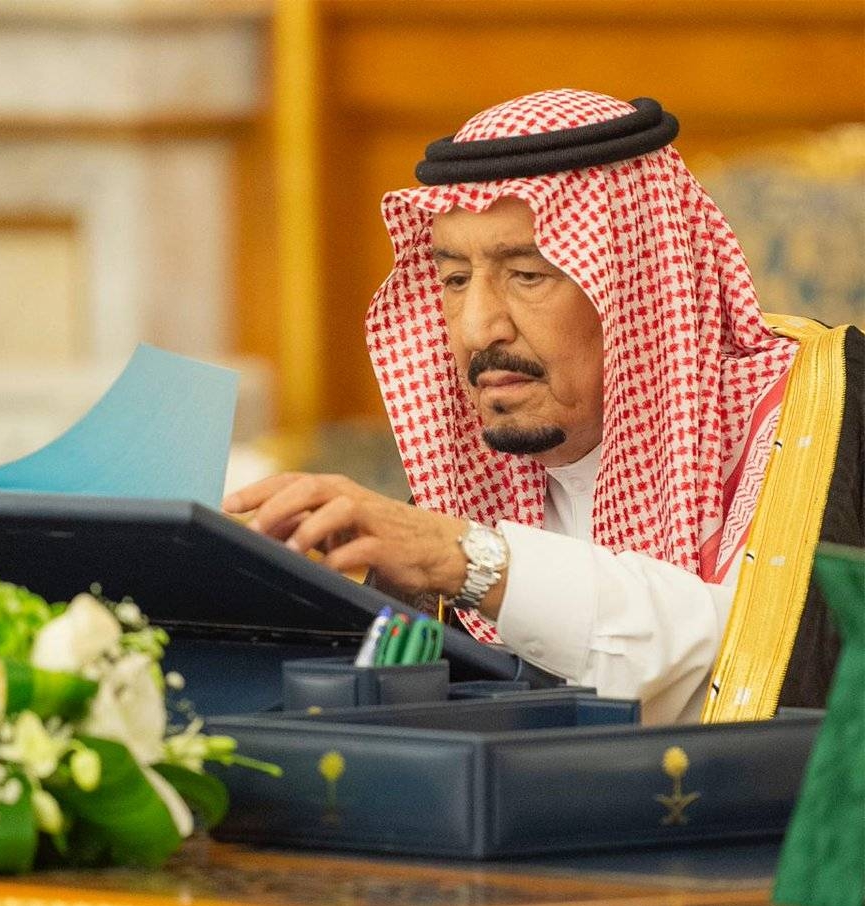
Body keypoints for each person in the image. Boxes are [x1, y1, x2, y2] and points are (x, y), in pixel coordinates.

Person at [224, 90, 863, 726]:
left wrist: (473, 561)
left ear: (636, 281)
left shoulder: (825, 412)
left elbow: (771, 658)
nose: (476, 329)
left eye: (527, 274)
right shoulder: (462, 487)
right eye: (454, 279)